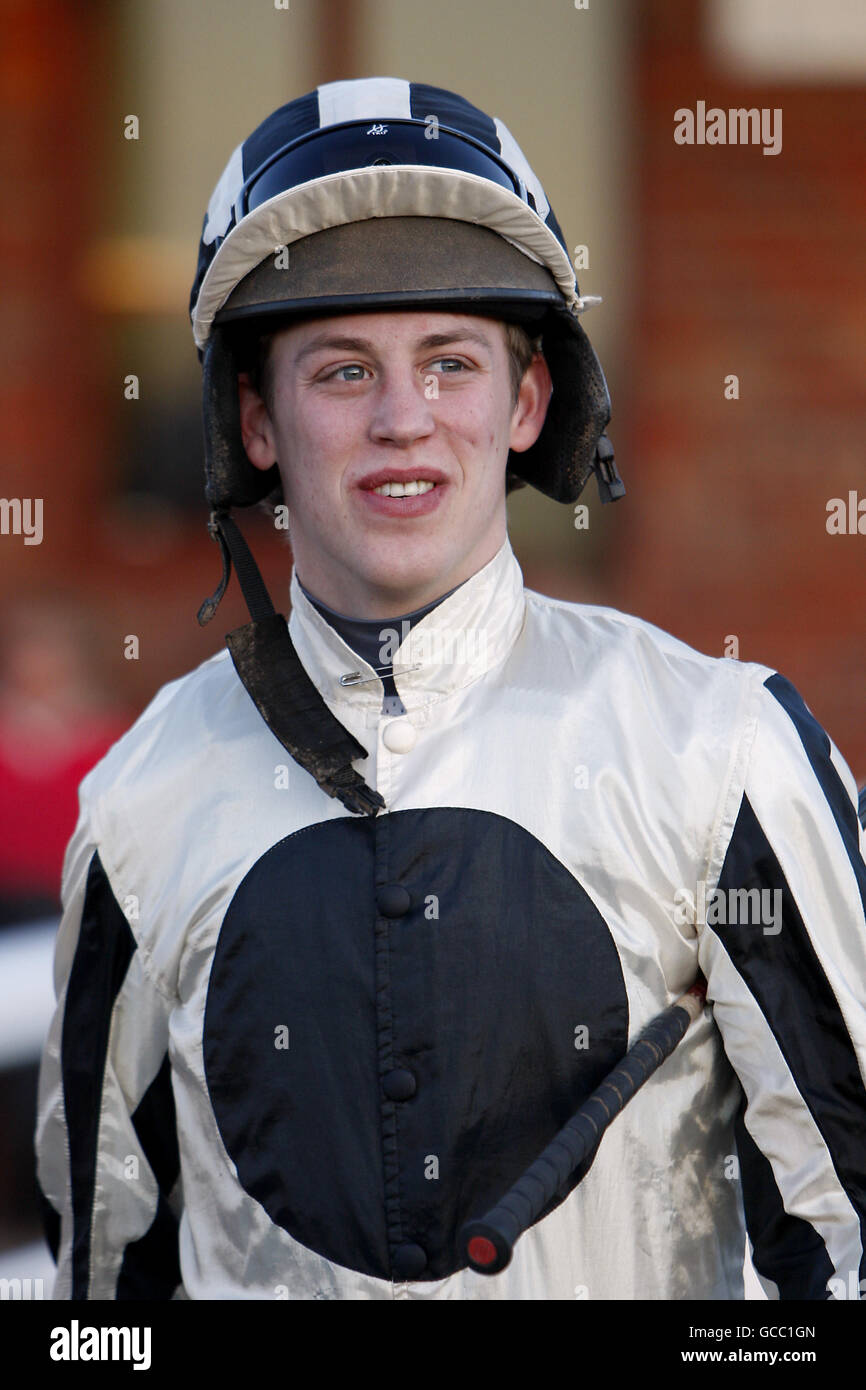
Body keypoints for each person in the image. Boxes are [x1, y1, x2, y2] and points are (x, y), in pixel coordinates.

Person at [35, 77, 866, 1301]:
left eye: (449, 361)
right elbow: (100, 1297)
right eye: (339, 372)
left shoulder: (719, 750)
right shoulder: (140, 800)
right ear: (254, 422)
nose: (404, 420)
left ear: (527, 404)